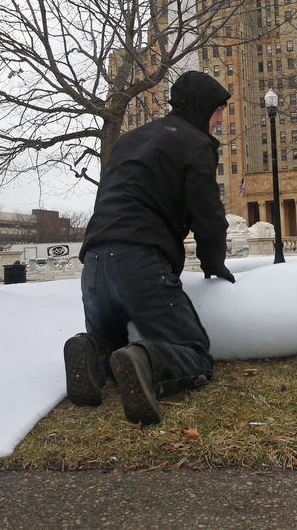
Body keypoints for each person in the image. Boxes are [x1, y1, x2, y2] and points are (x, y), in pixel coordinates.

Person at [63, 71, 236, 425]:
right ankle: (147, 361)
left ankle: (93, 351)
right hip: (140, 261)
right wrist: (214, 262)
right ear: (203, 107)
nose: (220, 120)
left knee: (110, 339)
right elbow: (208, 214)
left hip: (94, 262)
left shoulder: (129, 139)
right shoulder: (195, 143)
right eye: (218, 110)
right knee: (194, 353)